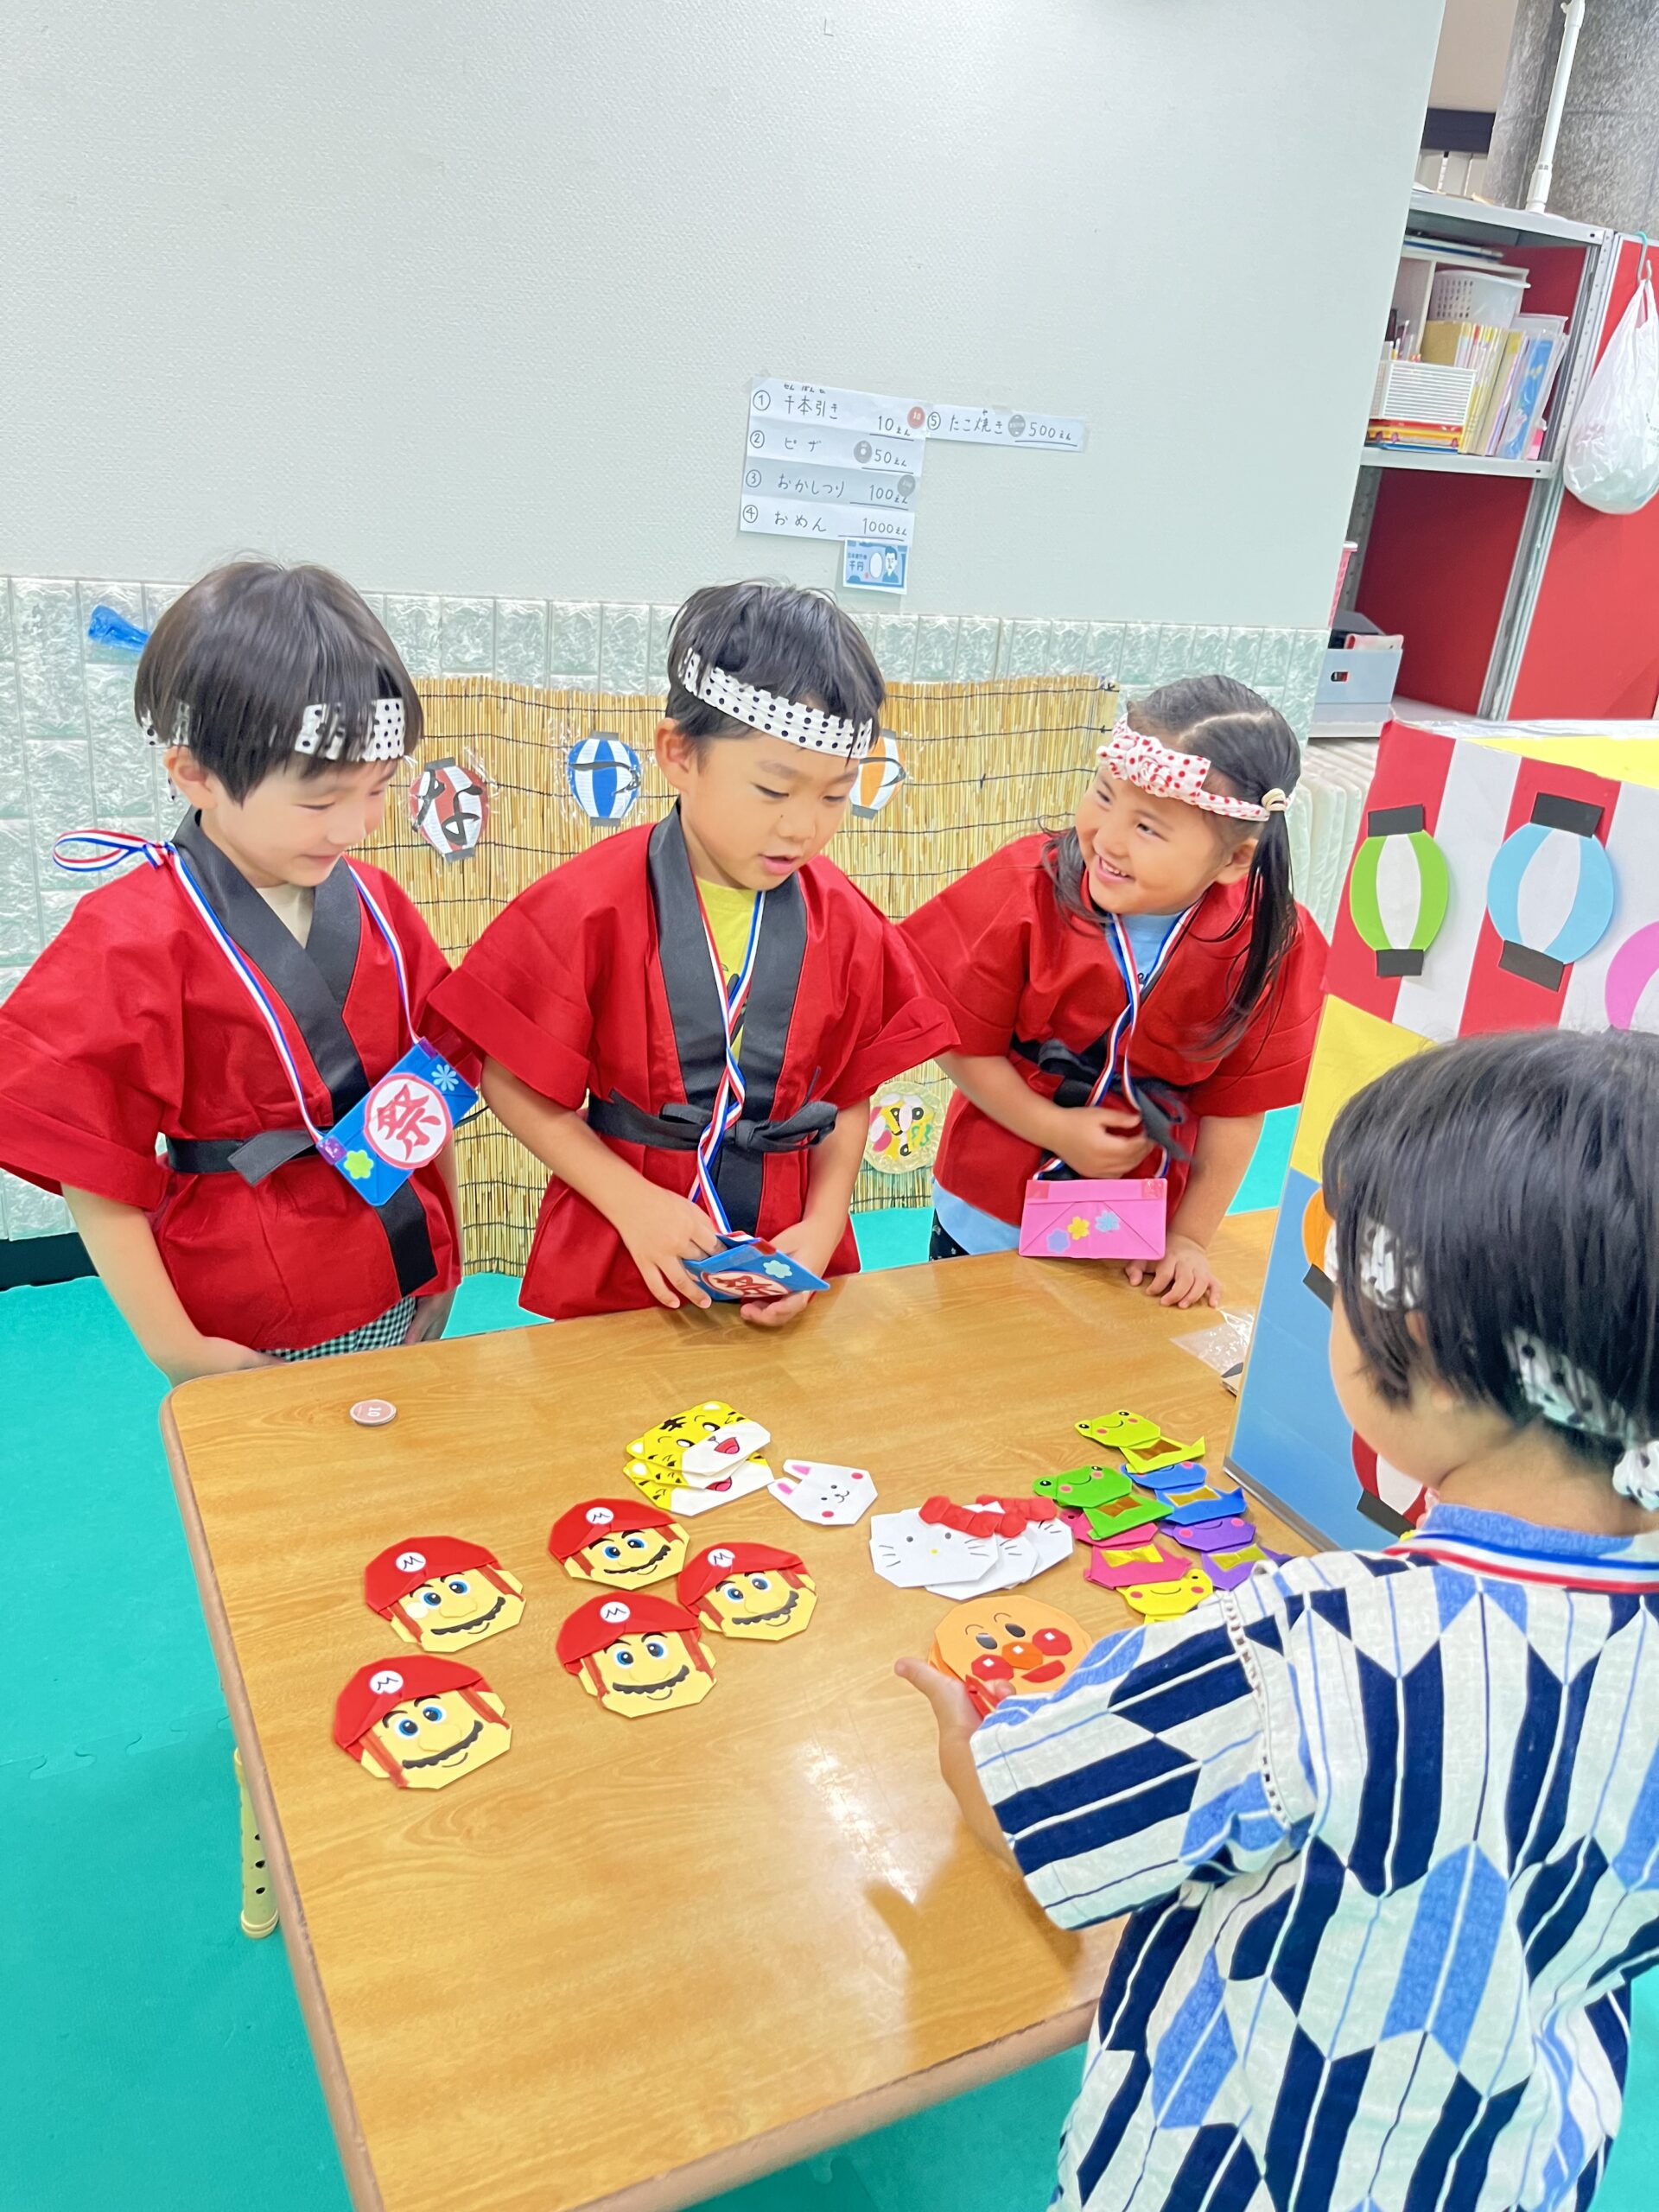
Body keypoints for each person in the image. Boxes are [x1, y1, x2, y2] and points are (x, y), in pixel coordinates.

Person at [900, 1027, 1659, 2212]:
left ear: (1428, 1348)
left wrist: (965, 1737)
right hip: (1513, 2173)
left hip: (1236, 2172)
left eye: (1347, 1274)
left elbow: (1029, 1809)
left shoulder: (1307, 1645)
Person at [429, 581, 951, 1324]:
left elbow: (848, 1093)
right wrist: (632, 1203)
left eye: (834, 796)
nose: (803, 829)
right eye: (774, 790)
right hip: (627, 1242)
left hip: (785, 1251)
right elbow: (512, 1082)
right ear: (679, 754)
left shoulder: (847, 921)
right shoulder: (588, 906)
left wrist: (826, 1223)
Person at [0, 561, 464, 1379]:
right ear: (195, 775)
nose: (356, 827)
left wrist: (444, 1254)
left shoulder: (382, 906)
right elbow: (92, 1167)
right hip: (245, 1317)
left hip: (397, 1266)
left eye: (379, 789)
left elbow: (425, 1084)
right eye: (321, 801)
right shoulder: (130, 937)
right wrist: (180, 1350)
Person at [900, 675, 1326, 1307]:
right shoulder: (1025, 886)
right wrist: (1054, 1127)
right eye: (1103, 796)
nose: (1107, 838)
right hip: (987, 1208)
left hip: (1136, 1234)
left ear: (1238, 858)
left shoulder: (1270, 941)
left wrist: (1190, 1238)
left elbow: (1236, 1112)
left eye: (1149, 828)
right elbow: (958, 1043)